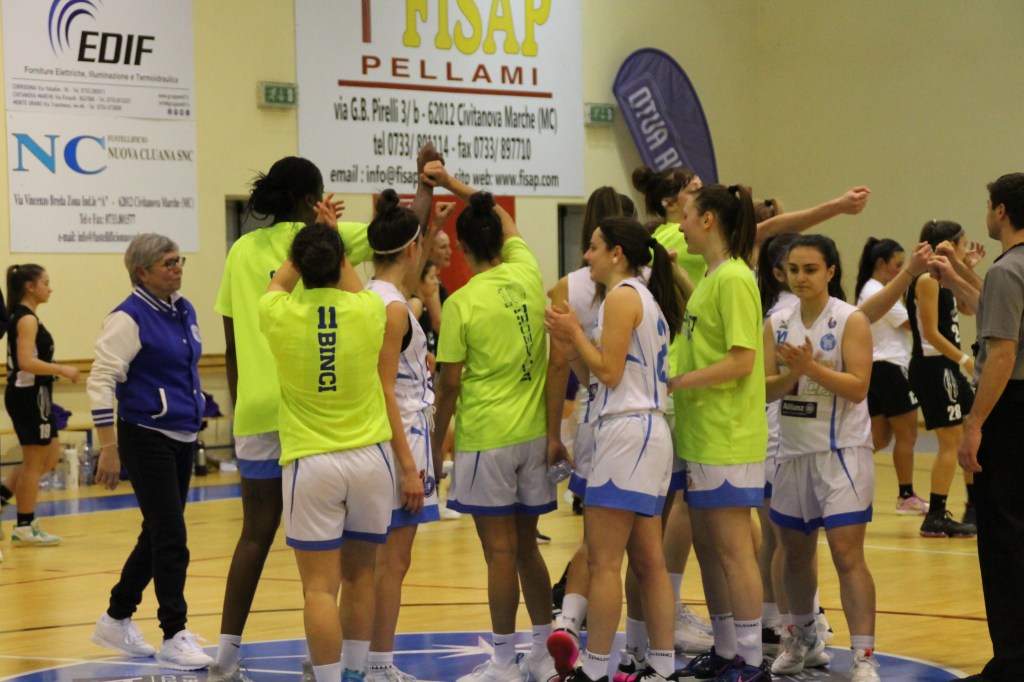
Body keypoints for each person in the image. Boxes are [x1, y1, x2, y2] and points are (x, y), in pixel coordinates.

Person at [210, 150, 437, 681]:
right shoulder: (362, 297)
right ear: (316, 203)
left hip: (264, 411)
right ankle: (344, 667)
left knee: (255, 535)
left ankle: (225, 654)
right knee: (352, 572)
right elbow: (402, 231)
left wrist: (243, 410)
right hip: (347, 433)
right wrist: (426, 184)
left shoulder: (241, 253)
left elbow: (233, 339)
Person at [424, 163, 556, 682]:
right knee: (526, 549)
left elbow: (449, 386)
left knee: (499, 552)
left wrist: (435, 447)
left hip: (487, 441)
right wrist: (455, 185)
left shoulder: (461, 302)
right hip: (533, 437)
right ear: (501, 239)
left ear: (460, 248)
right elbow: (499, 211)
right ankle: (543, 651)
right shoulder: (528, 271)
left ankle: (503, 661)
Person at [259, 220, 402, 682]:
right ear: (342, 262)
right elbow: (352, 284)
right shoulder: (369, 308)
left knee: (319, 589)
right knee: (361, 578)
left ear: (298, 266)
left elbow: (279, 284)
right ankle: (356, 675)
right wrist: (333, 238)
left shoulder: (276, 311)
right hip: (370, 460)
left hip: (312, 462)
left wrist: (301, 255)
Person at [545, 215, 681, 682]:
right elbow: (596, 378)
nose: (587, 256)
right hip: (644, 432)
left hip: (628, 434)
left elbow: (609, 372)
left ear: (617, 253)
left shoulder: (622, 297)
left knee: (604, 562)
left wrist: (576, 333)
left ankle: (595, 670)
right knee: (649, 562)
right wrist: (571, 344)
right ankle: (662, 668)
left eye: (594, 247)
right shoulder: (641, 297)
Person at [88, 234, 212, 670]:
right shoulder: (128, 317)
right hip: (144, 435)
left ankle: (115, 617)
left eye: (179, 261)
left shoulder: (183, 309)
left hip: (181, 434)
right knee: (171, 537)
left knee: (158, 533)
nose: (177, 269)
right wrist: (109, 447)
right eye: (167, 263)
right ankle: (174, 633)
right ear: (141, 272)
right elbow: (101, 381)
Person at [764, 234, 879, 682]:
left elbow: (858, 387)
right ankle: (803, 640)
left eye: (810, 269)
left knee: (847, 555)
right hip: (793, 453)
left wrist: (810, 369)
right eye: (793, 269)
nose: (801, 277)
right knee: (793, 554)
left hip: (841, 453)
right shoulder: (777, 323)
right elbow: (764, 391)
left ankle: (863, 655)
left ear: (830, 271)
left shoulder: (850, 319)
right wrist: (792, 375)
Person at [671, 184, 770, 682]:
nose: (681, 224)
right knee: (709, 550)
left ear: (708, 219)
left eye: (687, 215)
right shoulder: (712, 278)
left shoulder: (734, 278)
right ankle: (728, 648)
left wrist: (680, 381)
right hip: (701, 434)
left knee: (734, 552)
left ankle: (751, 661)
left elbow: (742, 360)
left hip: (727, 436)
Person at [932, 173, 1024, 682]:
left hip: (1011, 409)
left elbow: (1003, 354)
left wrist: (975, 423)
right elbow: (996, 299)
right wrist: (958, 277)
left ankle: (1011, 663)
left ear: (1001, 211)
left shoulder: (1009, 269)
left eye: (990, 205)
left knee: (1004, 540)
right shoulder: (1009, 271)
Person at [364, 191, 451, 682]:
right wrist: (407, 466)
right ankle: (378, 664)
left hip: (380, 436)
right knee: (392, 564)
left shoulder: (368, 293)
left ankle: (353, 657)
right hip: (401, 437)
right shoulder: (395, 308)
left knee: (370, 563)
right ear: (413, 249)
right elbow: (384, 387)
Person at [906, 221, 980, 538]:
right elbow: (931, 334)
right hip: (933, 366)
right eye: (963, 244)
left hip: (946, 366)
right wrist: (965, 360)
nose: (965, 250)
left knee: (974, 428)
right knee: (950, 442)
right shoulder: (926, 280)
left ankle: (974, 507)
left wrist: (966, 270)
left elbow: (968, 309)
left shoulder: (943, 278)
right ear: (948, 245)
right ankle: (935, 515)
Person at [4, 265, 79, 547]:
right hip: (28, 395)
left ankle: (2, 497)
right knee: (34, 462)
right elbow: (25, 362)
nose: (50, 288)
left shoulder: (28, 316)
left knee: (48, 457)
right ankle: (24, 526)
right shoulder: (26, 319)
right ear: (30, 286)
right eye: (45, 283)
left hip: (39, 394)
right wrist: (62, 369)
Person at [854, 238, 926, 514]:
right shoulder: (878, 291)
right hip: (890, 367)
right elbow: (912, 323)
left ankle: (843, 481)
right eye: (897, 265)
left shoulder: (873, 288)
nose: (900, 270)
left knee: (879, 438)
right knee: (908, 434)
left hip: (879, 368)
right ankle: (906, 496)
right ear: (881, 264)